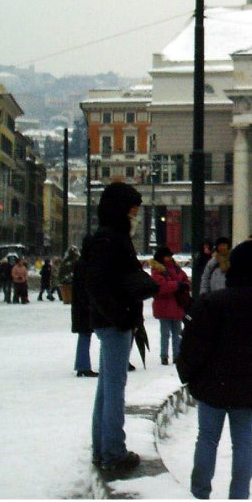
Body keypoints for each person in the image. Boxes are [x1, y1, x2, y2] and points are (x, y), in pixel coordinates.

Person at [176, 239, 252, 500]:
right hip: (250, 387)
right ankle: (239, 495)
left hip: (211, 384)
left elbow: (192, 346)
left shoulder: (212, 303)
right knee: (243, 440)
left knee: (207, 439)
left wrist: (188, 374)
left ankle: (199, 492)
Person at [84, 181, 158, 473]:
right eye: (132, 210)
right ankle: (114, 452)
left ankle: (101, 448)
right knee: (114, 390)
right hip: (115, 322)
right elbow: (99, 285)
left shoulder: (105, 238)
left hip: (110, 321)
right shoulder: (111, 240)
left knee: (105, 390)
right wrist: (122, 317)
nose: (135, 216)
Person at [150, 246, 191, 366]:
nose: (170, 258)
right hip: (166, 305)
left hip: (176, 305)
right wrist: (179, 285)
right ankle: (165, 356)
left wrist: (184, 285)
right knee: (166, 333)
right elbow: (161, 287)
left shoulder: (175, 268)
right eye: (167, 256)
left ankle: (176, 355)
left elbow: (185, 280)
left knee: (176, 333)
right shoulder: (157, 270)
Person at [69, 246, 97, 378]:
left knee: (84, 336)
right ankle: (84, 366)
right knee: (86, 335)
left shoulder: (80, 265)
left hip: (80, 306)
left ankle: (82, 365)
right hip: (87, 306)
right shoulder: (89, 266)